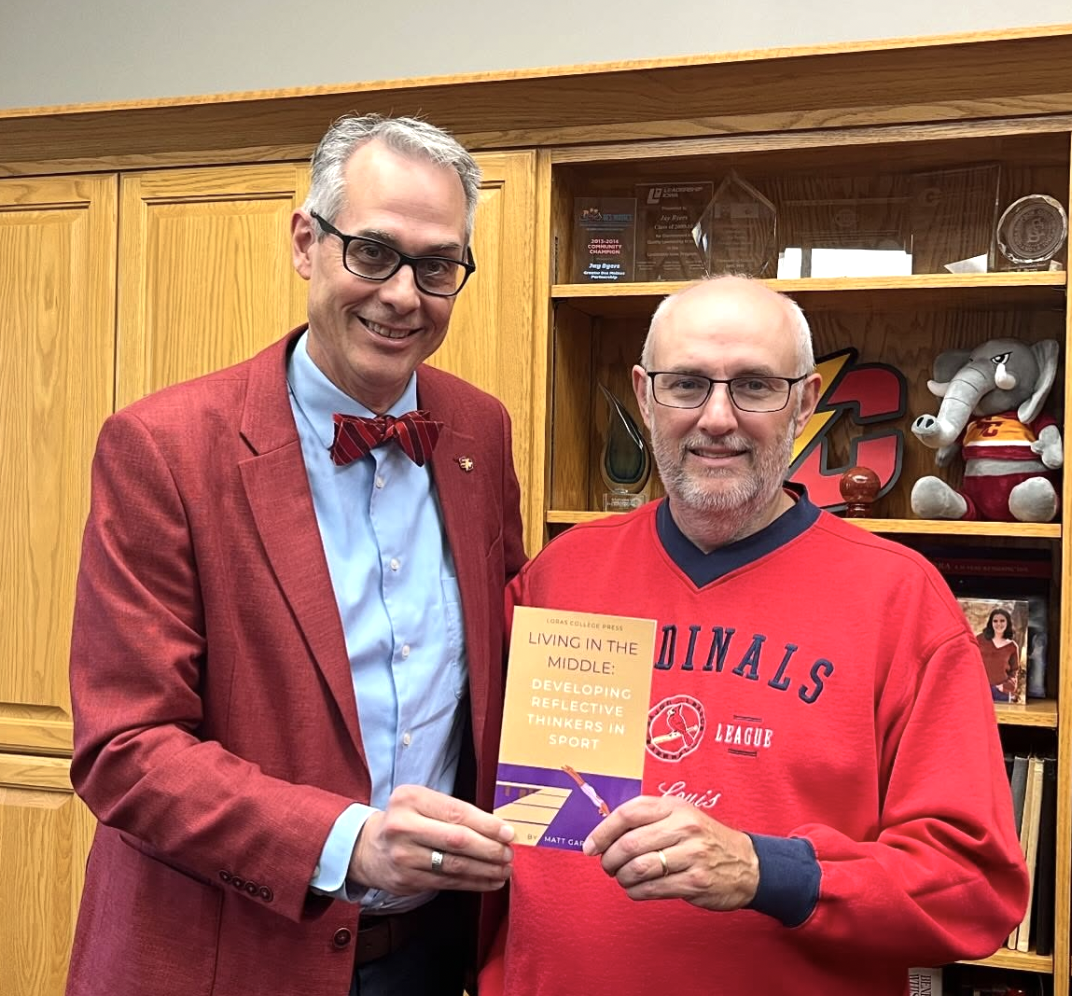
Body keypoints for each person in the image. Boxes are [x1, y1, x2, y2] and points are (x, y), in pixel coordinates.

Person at [67, 113, 525, 996]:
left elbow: (505, 664)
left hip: (432, 956)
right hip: (225, 958)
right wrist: (351, 842)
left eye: (437, 266)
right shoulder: (163, 447)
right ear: (306, 243)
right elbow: (125, 748)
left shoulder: (480, 431)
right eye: (373, 252)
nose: (403, 295)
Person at [480, 276, 1028, 996]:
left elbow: (974, 889)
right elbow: (495, 813)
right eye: (685, 384)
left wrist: (770, 871)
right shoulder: (561, 575)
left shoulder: (900, 599)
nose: (716, 418)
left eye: (755, 386)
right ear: (644, 396)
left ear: (804, 403)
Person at [978, 607, 1020, 700]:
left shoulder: (1012, 646)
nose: (998, 624)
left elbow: (1014, 671)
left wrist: (1006, 686)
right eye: (995, 621)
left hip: (1001, 692)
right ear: (991, 623)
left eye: (1002, 621)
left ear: (1007, 623)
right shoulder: (980, 640)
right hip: (979, 689)